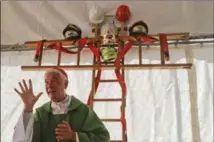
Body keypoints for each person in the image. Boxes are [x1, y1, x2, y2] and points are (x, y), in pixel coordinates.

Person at [12, 68, 110, 142]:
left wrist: (74, 136)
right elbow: (23, 138)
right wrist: (28, 109)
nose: (49, 85)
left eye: (54, 80)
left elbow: (103, 138)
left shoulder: (83, 110)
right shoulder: (41, 113)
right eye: (46, 82)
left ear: (66, 84)